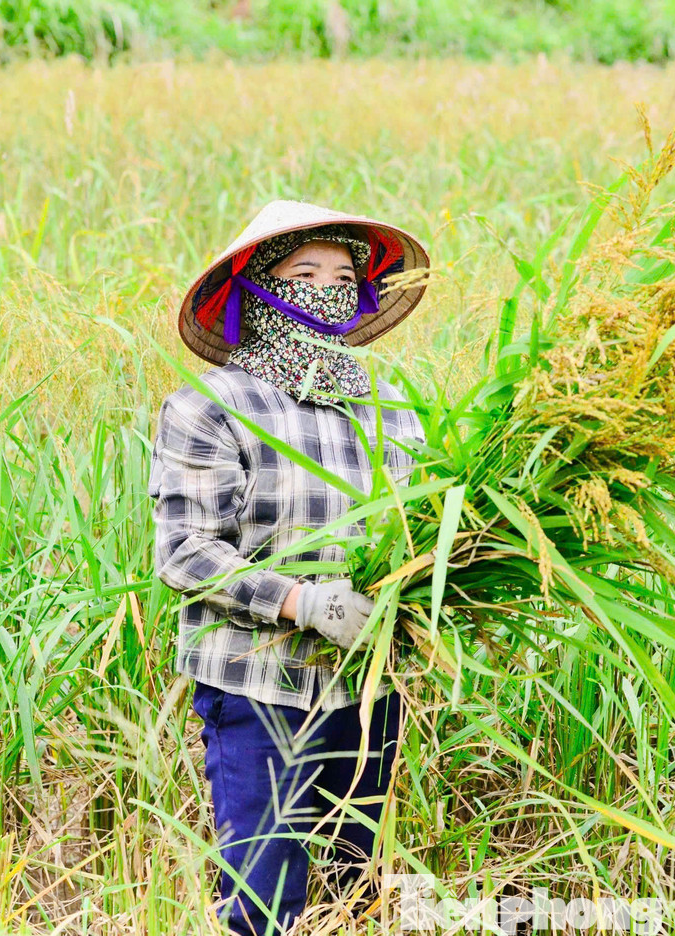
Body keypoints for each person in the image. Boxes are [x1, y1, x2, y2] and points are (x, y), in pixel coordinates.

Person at [147, 200, 431, 934]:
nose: (327, 288)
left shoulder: (392, 404)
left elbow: (420, 523)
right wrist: (302, 603)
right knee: (262, 899)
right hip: (257, 681)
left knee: (356, 886)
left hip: (369, 682)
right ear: (258, 288)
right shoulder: (210, 406)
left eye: (344, 275)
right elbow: (185, 551)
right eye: (304, 272)